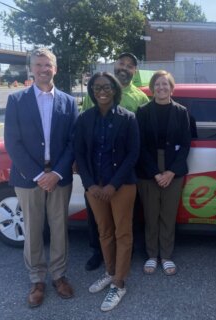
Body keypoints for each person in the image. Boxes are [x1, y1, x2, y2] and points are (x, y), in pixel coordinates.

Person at [4, 48, 78, 308]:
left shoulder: (69, 102)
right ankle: (37, 279)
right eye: (38, 65)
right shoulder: (16, 100)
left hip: (59, 176)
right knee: (33, 231)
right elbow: (12, 143)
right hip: (28, 178)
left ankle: (59, 276)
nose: (43, 69)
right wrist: (38, 175)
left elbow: (73, 142)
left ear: (55, 69)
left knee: (60, 229)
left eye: (48, 65)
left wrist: (56, 173)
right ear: (31, 69)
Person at [74, 72, 140, 311]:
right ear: (92, 91)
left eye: (106, 87)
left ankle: (119, 283)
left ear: (114, 89)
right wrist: (90, 184)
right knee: (104, 232)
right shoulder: (85, 119)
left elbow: (133, 154)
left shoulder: (128, 118)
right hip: (94, 186)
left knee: (123, 233)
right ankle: (110, 272)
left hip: (121, 186)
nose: (101, 91)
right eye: (96, 87)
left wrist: (113, 184)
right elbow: (79, 153)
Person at [82, 52, 149, 272]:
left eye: (130, 65)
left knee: (125, 224)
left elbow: (138, 143)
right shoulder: (87, 114)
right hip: (96, 175)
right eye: (122, 63)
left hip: (124, 175)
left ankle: (121, 269)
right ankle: (100, 256)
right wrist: (89, 181)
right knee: (100, 224)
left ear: (134, 71)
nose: (125, 68)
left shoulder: (140, 98)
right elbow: (81, 142)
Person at [136, 70, 191, 276]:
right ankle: (152, 255)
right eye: (157, 84)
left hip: (173, 169)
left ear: (171, 87)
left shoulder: (181, 111)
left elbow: (186, 145)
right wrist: (154, 173)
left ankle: (166, 255)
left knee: (168, 215)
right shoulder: (143, 111)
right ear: (152, 88)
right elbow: (139, 145)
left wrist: (171, 172)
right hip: (148, 169)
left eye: (165, 84)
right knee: (150, 215)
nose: (161, 88)